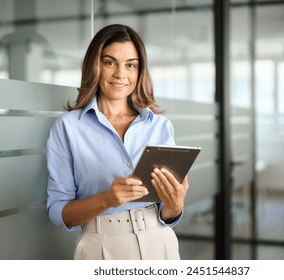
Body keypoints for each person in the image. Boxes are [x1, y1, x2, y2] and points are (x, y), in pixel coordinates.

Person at [46, 24, 188, 260]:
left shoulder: (160, 126)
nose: (121, 74)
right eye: (110, 62)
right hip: (99, 246)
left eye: (130, 65)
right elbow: (57, 211)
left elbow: (168, 211)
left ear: (139, 71)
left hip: (159, 241)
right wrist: (106, 199)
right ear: (96, 66)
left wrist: (175, 206)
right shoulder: (67, 127)